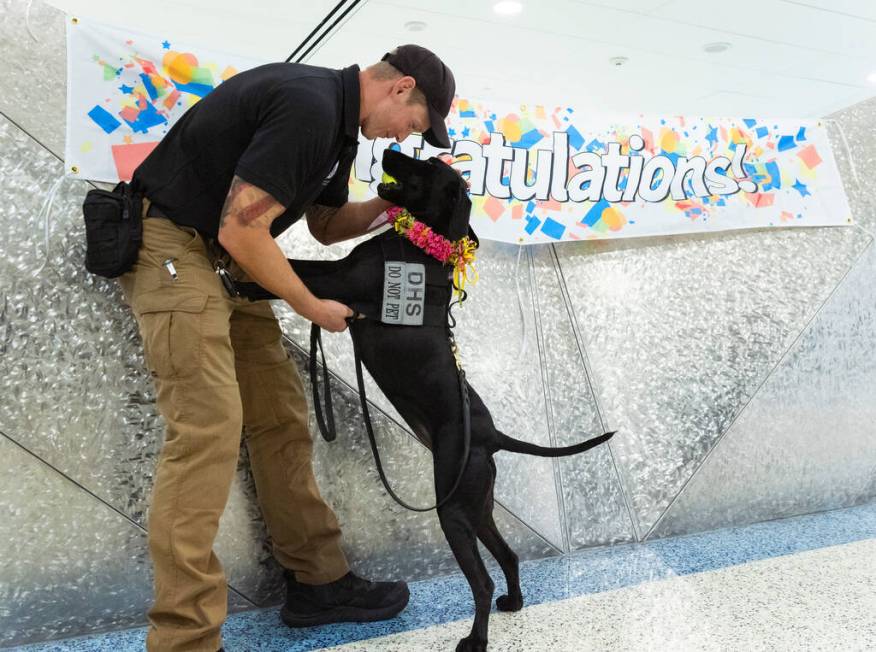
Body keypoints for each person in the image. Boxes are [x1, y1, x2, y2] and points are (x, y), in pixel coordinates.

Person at [120, 44, 455, 651]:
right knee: (208, 431)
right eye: (416, 123)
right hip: (172, 247)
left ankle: (318, 583)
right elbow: (241, 226)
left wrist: (393, 203)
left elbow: (326, 225)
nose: (408, 135)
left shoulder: (340, 132)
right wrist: (311, 306)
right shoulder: (308, 105)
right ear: (401, 88)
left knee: (279, 418)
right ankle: (185, 639)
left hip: (224, 260)